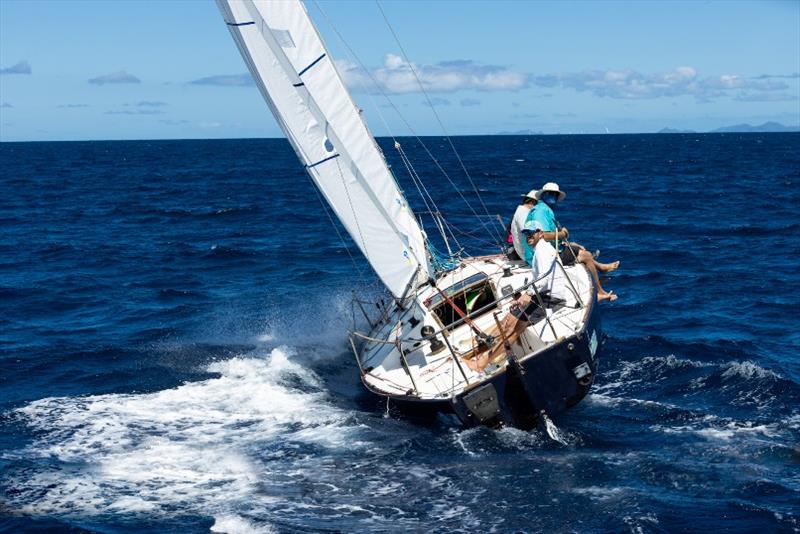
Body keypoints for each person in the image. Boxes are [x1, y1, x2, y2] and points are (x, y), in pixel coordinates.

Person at [526, 182, 619, 302]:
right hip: (546, 255)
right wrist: (563, 234)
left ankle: (601, 268)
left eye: (555, 194)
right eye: (550, 193)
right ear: (543, 195)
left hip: (551, 249)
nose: (553, 196)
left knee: (579, 248)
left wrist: (565, 242)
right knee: (586, 255)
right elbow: (543, 235)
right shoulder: (541, 212)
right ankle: (599, 292)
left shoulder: (544, 209)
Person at [508, 190, 537, 261]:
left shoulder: (522, 211)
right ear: (532, 202)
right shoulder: (524, 213)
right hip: (528, 255)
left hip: (523, 252)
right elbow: (528, 233)